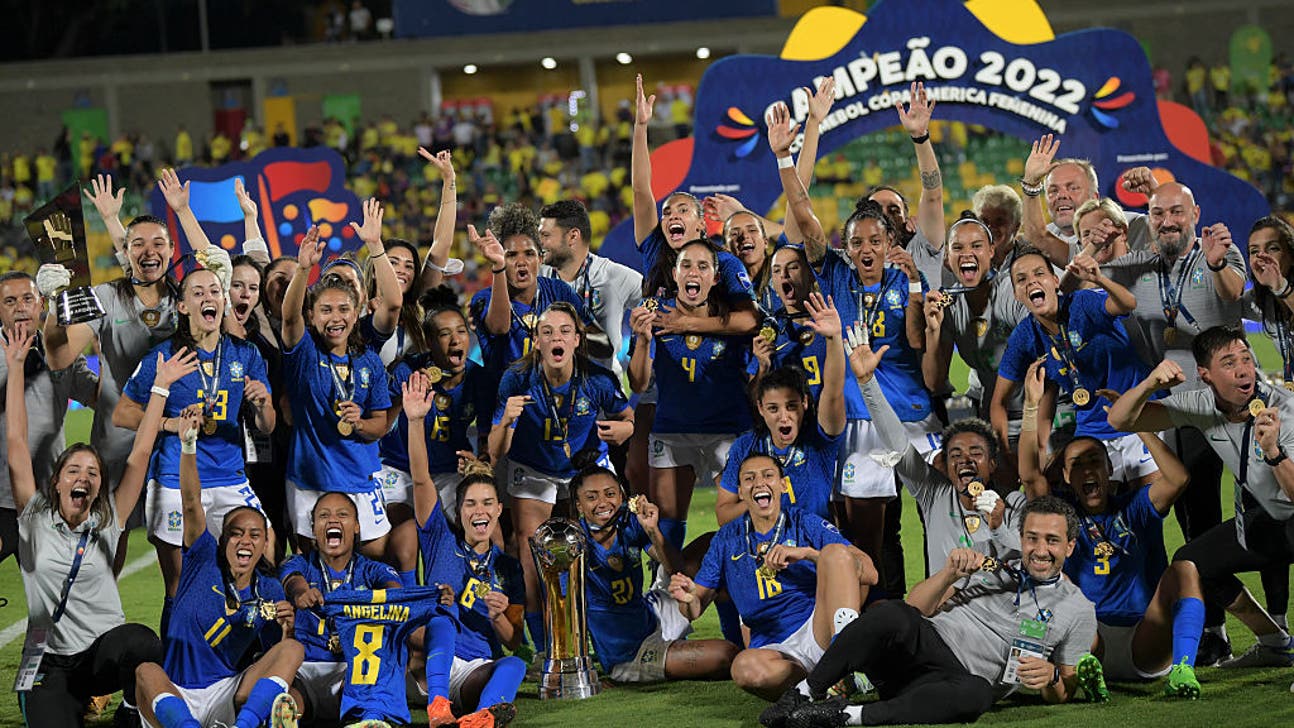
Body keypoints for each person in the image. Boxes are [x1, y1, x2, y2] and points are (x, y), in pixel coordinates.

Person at [771, 103, 933, 580]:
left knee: (941, 516)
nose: (865, 249)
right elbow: (803, 213)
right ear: (847, 245)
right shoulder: (835, 272)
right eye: (856, 241)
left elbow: (918, 342)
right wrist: (784, 156)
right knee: (869, 538)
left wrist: (920, 288)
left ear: (889, 242)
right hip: (858, 422)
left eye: (874, 241)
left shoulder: (907, 279)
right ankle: (881, 617)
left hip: (910, 416)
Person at [766, 496, 1098, 728]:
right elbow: (915, 608)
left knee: (978, 694)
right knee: (893, 612)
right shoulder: (995, 558)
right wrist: (949, 574)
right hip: (921, 645)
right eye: (1032, 538)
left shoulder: (1079, 610)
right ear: (1021, 538)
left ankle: (845, 715)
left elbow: (1064, 691)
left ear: (1069, 546)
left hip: (953, 682)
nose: (1040, 550)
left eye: (1052, 541)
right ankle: (804, 693)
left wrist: (1051, 677)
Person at [1096, 183, 1250, 656]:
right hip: (1175, 410)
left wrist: (1219, 261)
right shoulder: (1141, 263)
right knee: (1193, 519)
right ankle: (1213, 630)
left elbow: (1236, 293)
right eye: (1158, 212)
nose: (1167, 220)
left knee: (1250, 512)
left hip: (1226, 405)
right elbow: (1087, 272)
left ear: (1195, 213)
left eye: (1176, 212)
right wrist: (1096, 248)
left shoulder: (1218, 250)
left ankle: (1266, 623)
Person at [4, 328, 174, 727]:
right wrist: (14, 368)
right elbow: (15, 442)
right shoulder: (33, 517)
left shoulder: (109, 518)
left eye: (93, 472)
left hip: (101, 651)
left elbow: (141, 451)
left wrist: (160, 389)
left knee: (142, 643)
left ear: (98, 484)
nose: (84, 477)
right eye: (74, 470)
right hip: (47, 660)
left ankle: (131, 712)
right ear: (58, 481)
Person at [1108, 325, 1294, 671]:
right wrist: (1149, 385)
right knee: (1191, 564)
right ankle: (1275, 644)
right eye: (1229, 362)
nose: (1243, 369)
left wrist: (1273, 454)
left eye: (1246, 358)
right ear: (1205, 375)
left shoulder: (1287, 409)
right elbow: (1120, 419)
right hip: (1269, 519)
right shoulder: (1201, 405)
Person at [1019, 359, 1204, 698]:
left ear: (1109, 470)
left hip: (1145, 638)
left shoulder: (1136, 506)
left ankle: (1183, 671)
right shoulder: (1061, 513)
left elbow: (1178, 479)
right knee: (1065, 598)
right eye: (1077, 463)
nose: (1088, 469)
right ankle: (1084, 675)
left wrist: (1136, 422)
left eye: (1095, 461)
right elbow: (1030, 476)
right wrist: (1031, 407)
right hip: (1090, 639)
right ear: (1065, 476)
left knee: (1185, 570)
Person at [116, 265, 276, 622]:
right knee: (179, 583)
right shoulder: (164, 356)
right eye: (199, 292)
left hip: (229, 476)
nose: (209, 298)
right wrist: (168, 423)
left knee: (267, 548)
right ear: (184, 306)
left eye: (215, 291)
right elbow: (123, 413)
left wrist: (264, 403)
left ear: (223, 301)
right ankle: (176, 662)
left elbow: (266, 427)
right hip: (174, 478)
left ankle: (243, 647)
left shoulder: (245, 353)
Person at [135, 414, 301, 728]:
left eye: (255, 535)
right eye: (236, 533)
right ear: (221, 539)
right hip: (177, 694)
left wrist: (286, 630)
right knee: (146, 671)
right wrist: (188, 446)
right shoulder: (201, 560)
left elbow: (271, 657)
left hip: (226, 691)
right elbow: (191, 502)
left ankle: (245, 726)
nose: (246, 541)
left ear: (265, 543)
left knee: (293, 650)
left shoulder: (269, 590)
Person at [670, 453, 876, 701]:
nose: (759, 483)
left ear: (783, 485)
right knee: (744, 669)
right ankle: (819, 686)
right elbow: (693, 609)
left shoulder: (804, 523)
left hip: (819, 629)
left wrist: (808, 554)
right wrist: (688, 596)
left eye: (768, 475)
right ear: (741, 492)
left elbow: (869, 573)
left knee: (835, 553)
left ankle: (843, 655)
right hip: (776, 650)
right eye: (749, 478)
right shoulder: (725, 540)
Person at [488, 302, 633, 652]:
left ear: (577, 339)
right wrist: (506, 420)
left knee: (599, 548)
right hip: (534, 469)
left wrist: (623, 430)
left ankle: (605, 637)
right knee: (530, 551)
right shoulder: (517, 379)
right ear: (536, 341)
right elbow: (496, 449)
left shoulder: (597, 379)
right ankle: (545, 648)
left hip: (584, 469)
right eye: (547, 332)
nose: (557, 338)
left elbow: (629, 419)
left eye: (565, 331)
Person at [850, 326, 1023, 578]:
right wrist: (867, 383)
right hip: (945, 613)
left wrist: (998, 527)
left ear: (993, 464)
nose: (965, 460)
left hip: (997, 613)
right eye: (955, 454)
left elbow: (1033, 560)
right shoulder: (935, 495)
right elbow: (899, 445)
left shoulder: (1014, 504)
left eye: (976, 453)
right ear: (946, 463)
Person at [408, 373, 522, 726]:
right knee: (443, 618)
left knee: (514, 665)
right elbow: (421, 479)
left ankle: (480, 719)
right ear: (459, 512)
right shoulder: (441, 539)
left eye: (488, 503)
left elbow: (514, 642)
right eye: (470, 504)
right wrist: (415, 422)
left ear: (499, 510)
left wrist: (500, 617)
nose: (480, 511)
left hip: (475, 670)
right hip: (432, 665)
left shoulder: (508, 568)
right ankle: (438, 708)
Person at [992, 245, 1157, 488]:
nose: (1031, 282)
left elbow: (1127, 304)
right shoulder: (1025, 336)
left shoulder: (1082, 303)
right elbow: (998, 401)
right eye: (1021, 279)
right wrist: (1006, 453)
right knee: (1101, 510)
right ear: (1016, 294)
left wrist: (1098, 278)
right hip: (1092, 428)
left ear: (1054, 281)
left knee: (1146, 510)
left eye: (1039, 274)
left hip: (1138, 417)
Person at [628, 241, 751, 553]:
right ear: (674, 274)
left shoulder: (731, 321)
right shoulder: (655, 317)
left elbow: (754, 329)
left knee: (737, 519)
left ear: (715, 278)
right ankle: (667, 590)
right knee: (667, 521)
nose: (693, 272)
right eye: (686, 265)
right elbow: (639, 385)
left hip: (728, 431)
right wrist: (642, 342)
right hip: (672, 431)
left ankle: (735, 587)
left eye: (702, 266)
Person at [280, 227, 394, 556]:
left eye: (343, 309)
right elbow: (289, 319)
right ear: (312, 316)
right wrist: (303, 269)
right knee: (313, 562)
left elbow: (378, 426)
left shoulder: (369, 362)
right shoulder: (303, 355)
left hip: (360, 476)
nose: (336, 318)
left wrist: (359, 423)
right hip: (309, 479)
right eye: (326, 310)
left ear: (356, 313)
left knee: (373, 555)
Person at [573, 465, 738, 682]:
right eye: (592, 497)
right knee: (725, 655)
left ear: (621, 495)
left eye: (610, 494)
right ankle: (679, 653)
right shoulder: (574, 544)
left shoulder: (629, 523)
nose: (603, 503)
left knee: (713, 544)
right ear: (579, 505)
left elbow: (674, 568)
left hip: (652, 613)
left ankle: (741, 637)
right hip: (630, 653)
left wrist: (652, 530)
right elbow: (567, 610)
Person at [379, 285, 490, 586]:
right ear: (429, 342)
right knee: (403, 541)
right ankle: (409, 607)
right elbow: (383, 424)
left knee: (487, 534)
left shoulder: (478, 378)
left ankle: (474, 604)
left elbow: (487, 434)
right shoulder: (406, 371)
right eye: (444, 334)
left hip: (446, 472)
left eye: (461, 331)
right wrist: (407, 395)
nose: (455, 340)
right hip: (399, 468)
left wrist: (481, 460)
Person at [277, 490, 406, 727]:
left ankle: (365, 719)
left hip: (351, 668)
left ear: (356, 526)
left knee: (364, 684)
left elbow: (396, 592)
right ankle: (288, 716)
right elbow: (291, 578)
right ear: (314, 528)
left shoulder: (372, 570)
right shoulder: (300, 563)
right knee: (293, 698)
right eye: (324, 515)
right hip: (304, 667)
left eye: (342, 514)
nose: (333, 520)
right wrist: (301, 592)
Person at [722, 293, 846, 525]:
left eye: (791, 406)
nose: (783, 417)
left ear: (805, 404)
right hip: (760, 544)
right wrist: (758, 496)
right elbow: (723, 515)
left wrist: (834, 339)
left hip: (810, 545)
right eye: (773, 408)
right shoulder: (745, 447)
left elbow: (833, 391)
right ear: (760, 408)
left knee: (855, 559)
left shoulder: (819, 442)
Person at [0, 272, 98, 564]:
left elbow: (99, 398)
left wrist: (108, 355)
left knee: (54, 601)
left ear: (41, 303)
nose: (20, 307)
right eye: (9, 301)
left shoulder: (61, 352)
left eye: (28, 299)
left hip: (48, 499)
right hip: (0, 498)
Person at [468, 203, 608, 396]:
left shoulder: (559, 292)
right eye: (510, 255)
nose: (521, 262)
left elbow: (604, 345)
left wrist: (567, 336)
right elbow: (500, 328)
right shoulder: (483, 299)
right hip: (504, 412)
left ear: (541, 259)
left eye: (529, 254)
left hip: (555, 408)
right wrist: (498, 266)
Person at [922, 213, 1030, 458]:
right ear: (948, 259)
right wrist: (933, 330)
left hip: (1031, 412)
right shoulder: (949, 304)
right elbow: (934, 382)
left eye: (976, 246)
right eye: (957, 247)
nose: (967, 253)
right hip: (990, 413)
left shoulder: (1010, 291)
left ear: (992, 251)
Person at [539, 198, 643, 377]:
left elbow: (660, 304)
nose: (540, 242)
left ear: (573, 236)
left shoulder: (614, 276)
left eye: (546, 236)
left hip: (603, 394)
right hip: (552, 392)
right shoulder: (536, 277)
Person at [1017, 135, 1152, 263]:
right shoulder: (1041, 239)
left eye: (1073, 188)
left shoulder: (1131, 225)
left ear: (1094, 198)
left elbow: (1166, 225)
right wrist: (1031, 182)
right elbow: (1037, 236)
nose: (1061, 195)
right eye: (1053, 190)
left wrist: (1153, 192)